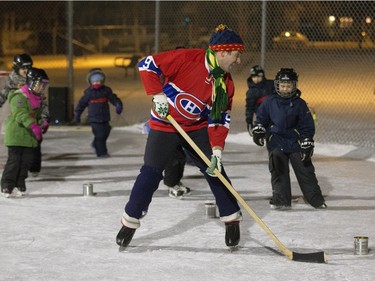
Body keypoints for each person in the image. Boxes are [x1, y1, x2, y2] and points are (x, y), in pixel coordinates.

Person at [116, 24, 245, 249]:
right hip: (165, 123)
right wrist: (157, 96)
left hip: (196, 128)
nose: (239, 61)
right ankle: (130, 221)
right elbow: (147, 65)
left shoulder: (225, 84)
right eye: (236, 55)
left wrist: (216, 150)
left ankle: (231, 218)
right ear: (222, 52)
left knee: (215, 171)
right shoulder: (187, 58)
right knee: (150, 172)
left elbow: (218, 119)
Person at [251, 68, 326, 210]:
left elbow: (306, 125)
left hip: (295, 142)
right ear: (277, 85)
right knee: (278, 168)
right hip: (276, 141)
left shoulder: (299, 104)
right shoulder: (269, 102)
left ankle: (315, 199)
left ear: (294, 85)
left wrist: (307, 141)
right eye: (282, 86)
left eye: (288, 86)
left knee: (305, 170)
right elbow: (261, 119)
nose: (285, 89)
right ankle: (281, 199)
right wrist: (259, 129)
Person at [1, 68, 49, 197]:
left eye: (44, 85)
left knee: (26, 162)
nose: (42, 88)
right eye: (40, 84)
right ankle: (7, 184)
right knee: (15, 161)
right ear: (32, 82)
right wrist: (33, 126)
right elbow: (20, 114)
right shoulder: (19, 96)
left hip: (28, 138)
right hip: (16, 136)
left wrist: (42, 123)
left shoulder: (38, 99)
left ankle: (19, 182)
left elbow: (38, 114)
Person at [74, 68, 123, 157]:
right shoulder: (89, 93)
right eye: (94, 82)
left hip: (105, 116)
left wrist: (118, 104)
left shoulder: (106, 91)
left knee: (106, 131)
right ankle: (101, 152)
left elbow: (113, 98)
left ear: (102, 81)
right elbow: (81, 104)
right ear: (90, 82)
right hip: (94, 118)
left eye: (98, 81)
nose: (96, 83)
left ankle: (95, 143)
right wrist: (77, 115)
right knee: (100, 135)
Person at [143, 120, 191, 199]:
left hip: (176, 127)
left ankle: (176, 182)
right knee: (173, 157)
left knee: (180, 156)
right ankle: (171, 185)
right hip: (165, 129)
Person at [245, 65, 274, 136]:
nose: (256, 79)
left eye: (259, 76)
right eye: (254, 77)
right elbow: (249, 108)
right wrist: (249, 121)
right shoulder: (251, 92)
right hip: (262, 115)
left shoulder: (270, 85)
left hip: (275, 111)